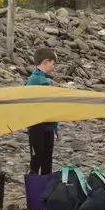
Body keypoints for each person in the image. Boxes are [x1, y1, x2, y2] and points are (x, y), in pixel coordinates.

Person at [25, 47, 60, 176]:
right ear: (45, 62)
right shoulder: (34, 80)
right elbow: (26, 103)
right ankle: (33, 188)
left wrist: (56, 127)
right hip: (36, 126)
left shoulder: (45, 80)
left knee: (47, 159)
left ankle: (45, 190)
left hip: (48, 126)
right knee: (36, 158)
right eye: (52, 63)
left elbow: (51, 106)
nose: (53, 66)